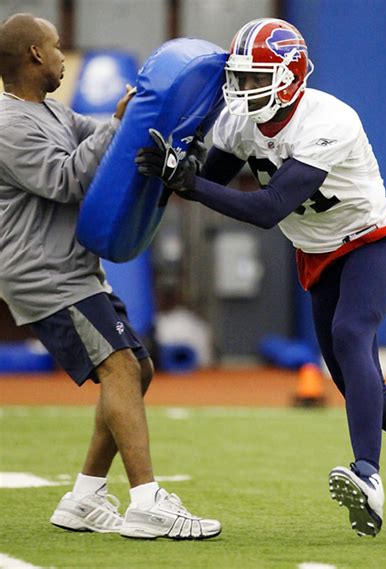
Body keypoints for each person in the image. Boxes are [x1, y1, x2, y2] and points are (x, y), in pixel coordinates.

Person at [135, 17, 386, 537]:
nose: (243, 90)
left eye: (255, 78)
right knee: (363, 391)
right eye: (241, 78)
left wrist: (190, 184)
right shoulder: (242, 121)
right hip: (317, 251)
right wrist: (175, 163)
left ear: (290, 76)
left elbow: (269, 207)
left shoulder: (329, 120)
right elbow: (212, 178)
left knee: (350, 334)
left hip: (371, 239)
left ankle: (367, 475)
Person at [0, 13, 221, 540]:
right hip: (43, 272)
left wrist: (136, 115)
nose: (61, 57)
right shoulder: (7, 126)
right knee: (120, 369)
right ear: (34, 55)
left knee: (135, 371)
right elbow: (67, 178)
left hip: (71, 266)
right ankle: (147, 502)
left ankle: (84, 498)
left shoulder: (50, 110)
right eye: (55, 48)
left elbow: (100, 138)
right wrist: (121, 124)